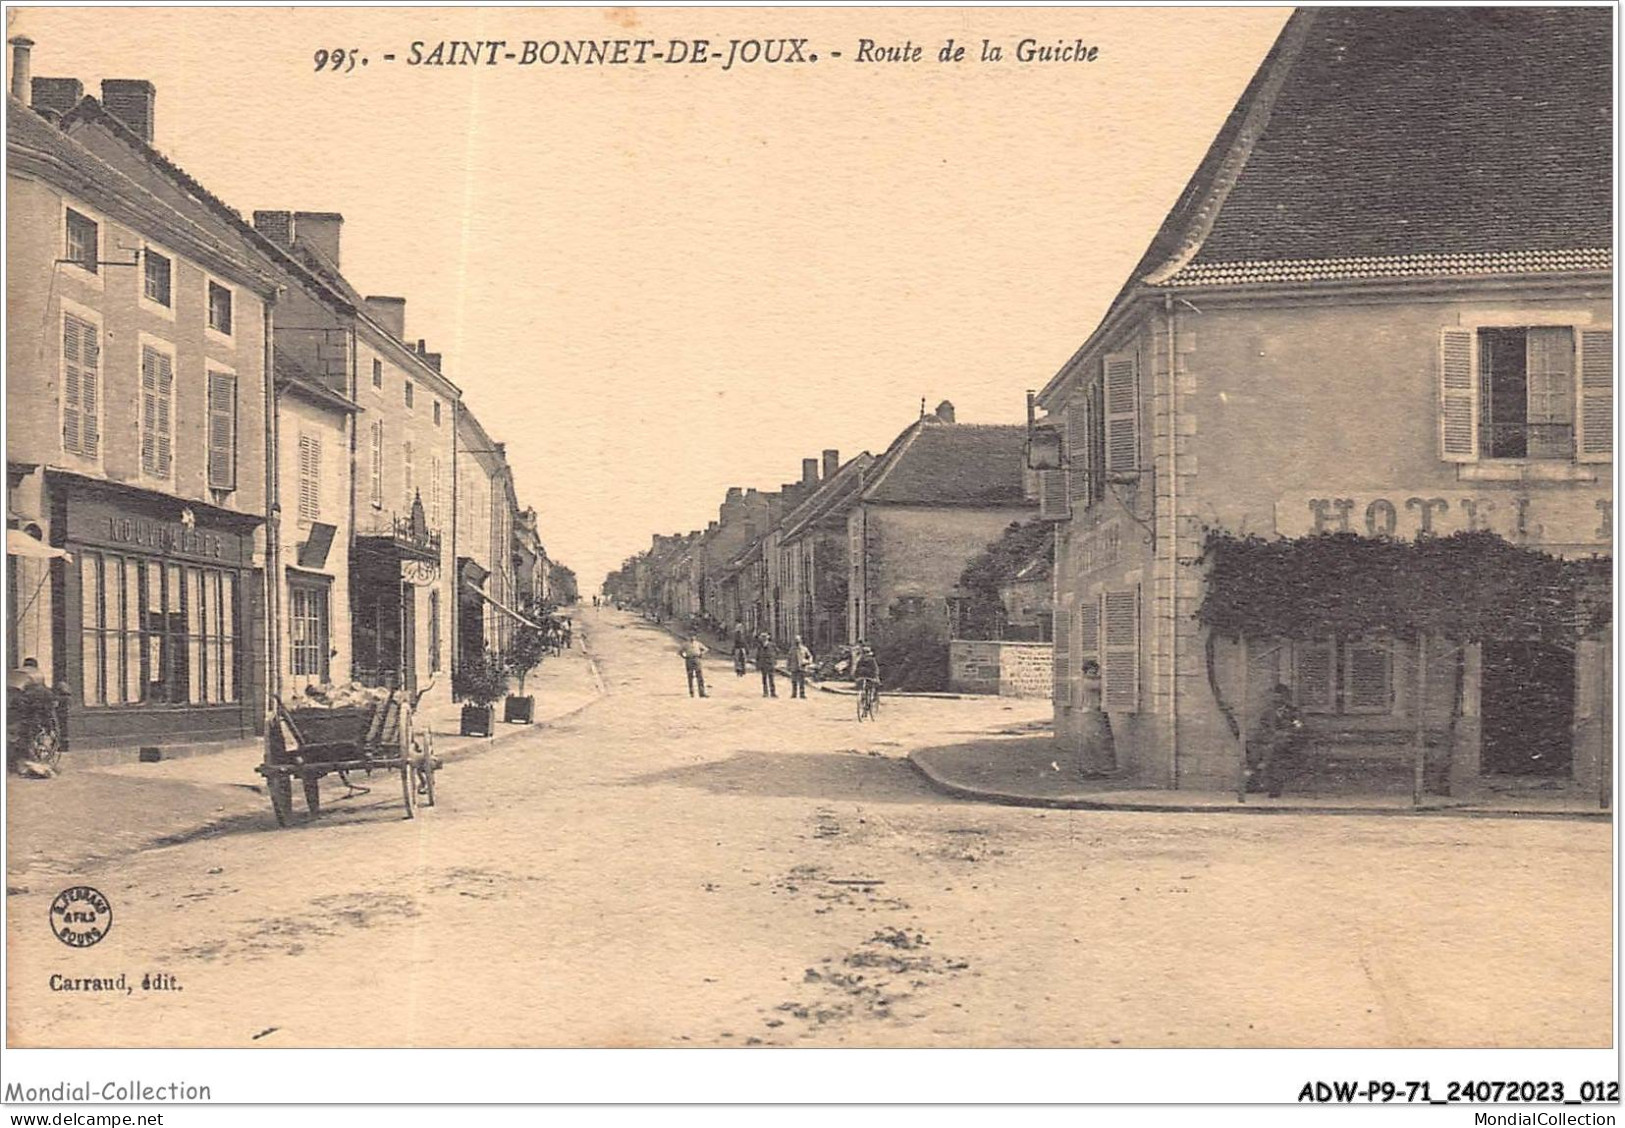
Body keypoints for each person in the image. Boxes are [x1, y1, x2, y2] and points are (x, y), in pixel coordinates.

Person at [1250, 683, 1306, 798]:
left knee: (1272, 752)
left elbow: (1299, 727)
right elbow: (1264, 728)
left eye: (1280, 697)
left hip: (1290, 744)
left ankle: (1260, 776)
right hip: (1272, 743)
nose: (1277, 700)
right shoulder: (1267, 714)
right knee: (1268, 752)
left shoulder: (1293, 713)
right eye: (1275, 697)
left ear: (1286, 697)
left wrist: (1286, 733)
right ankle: (1268, 783)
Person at [1077, 660, 1118, 777]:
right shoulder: (1088, 682)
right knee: (1093, 742)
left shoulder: (1089, 681)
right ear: (1085, 672)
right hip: (1091, 714)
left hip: (1097, 713)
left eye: (1095, 671)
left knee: (1100, 742)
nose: (1093, 673)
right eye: (1091, 671)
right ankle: (1090, 769)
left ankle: (1099, 769)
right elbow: (1103, 685)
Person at [853, 642, 881, 712]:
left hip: (861, 677)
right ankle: (871, 698)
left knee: (863, 687)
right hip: (870, 677)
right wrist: (876, 677)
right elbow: (876, 669)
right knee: (874, 686)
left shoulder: (860, 660)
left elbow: (856, 669)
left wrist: (856, 677)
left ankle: (863, 699)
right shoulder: (872, 660)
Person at [787, 634, 813, 699]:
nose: (797, 642)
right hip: (794, 667)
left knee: (802, 681)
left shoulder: (804, 649)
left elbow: (810, 656)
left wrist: (808, 661)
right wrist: (788, 666)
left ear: (800, 641)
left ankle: (802, 694)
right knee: (794, 681)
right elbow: (789, 658)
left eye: (798, 640)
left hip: (802, 667)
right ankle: (794, 694)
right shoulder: (792, 649)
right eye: (796, 640)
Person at [755, 633, 779, 698]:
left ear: (768, 638)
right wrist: (757, 665)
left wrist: (774, 660)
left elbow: (777, 652)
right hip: (763, 664)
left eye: (765, 637)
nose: (764, 638)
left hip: (770, 664)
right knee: (764, 679)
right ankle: (765, 692)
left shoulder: (772, 645)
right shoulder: (760, 646)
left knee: (771, 679)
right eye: (763, 637)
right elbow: (757, 656)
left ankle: (773, 693)